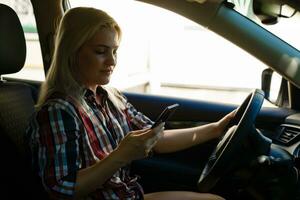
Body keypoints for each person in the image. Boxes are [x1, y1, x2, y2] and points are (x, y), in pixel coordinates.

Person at [26, 7, 235, 200]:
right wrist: (119, 156)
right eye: (100, 51)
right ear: (72, 53)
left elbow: (156, 138)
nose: (112, 61)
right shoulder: (59, 111)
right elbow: (60, 188)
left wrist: (216, 129)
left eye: (114, 51)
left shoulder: (110, 97)